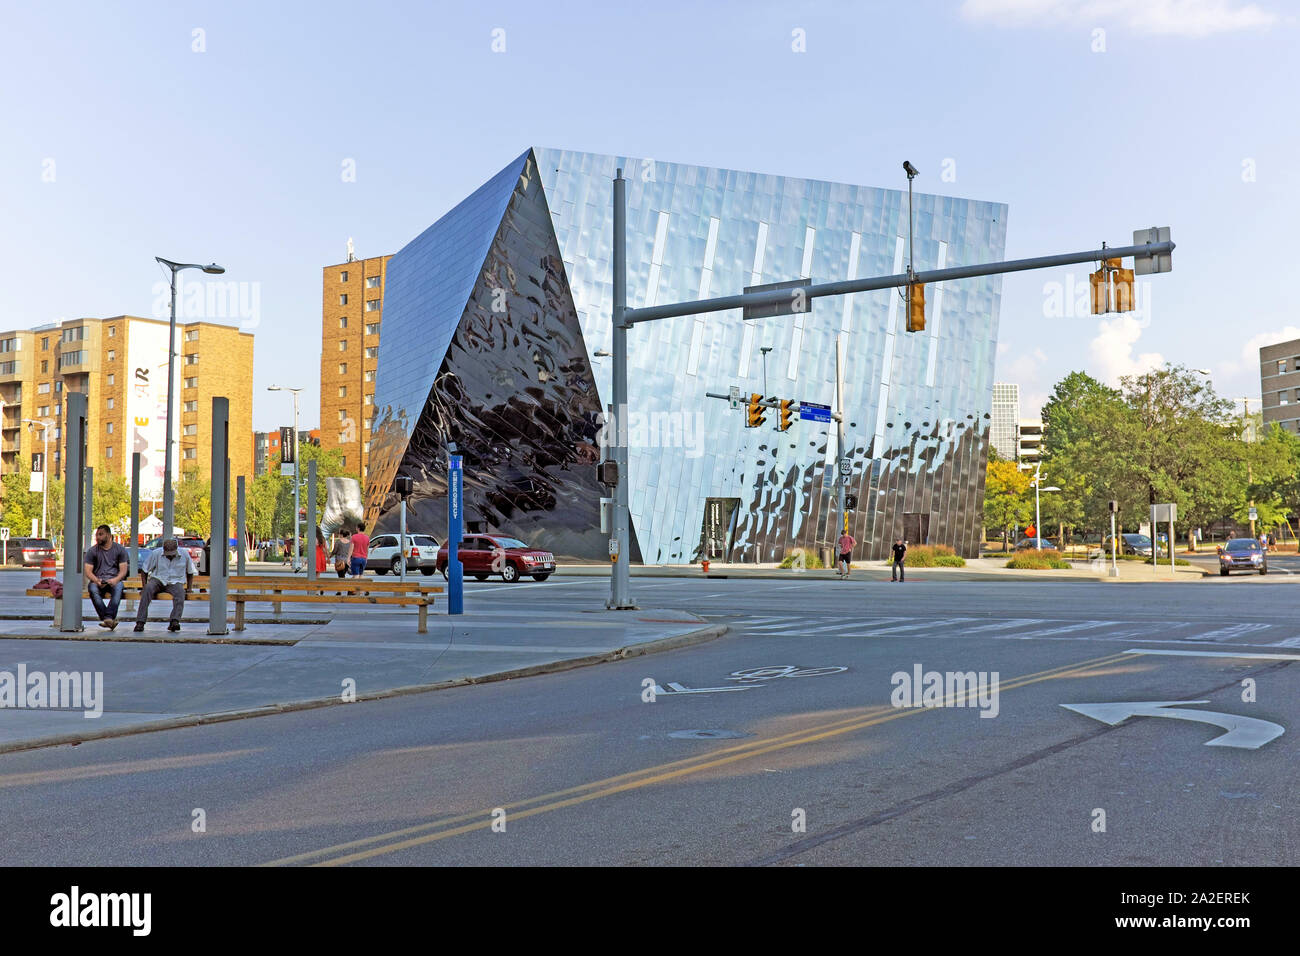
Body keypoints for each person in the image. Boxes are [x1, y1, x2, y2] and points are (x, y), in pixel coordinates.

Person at [133, 538, 195, 633]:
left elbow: (190, 572)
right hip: (158, 579)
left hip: (175, 581)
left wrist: (189, 588)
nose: (170, 557)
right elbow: (144, 570)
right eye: (167, 555)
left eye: (172, 555)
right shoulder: (156, 553)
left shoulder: (184, 554)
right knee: (148, 589)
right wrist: (144, 586)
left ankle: (175, 621)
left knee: (180, 592)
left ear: (177, 549)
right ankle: (140, 622)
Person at [83, 524, 128, 630]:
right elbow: (88, 571)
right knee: (92, 588)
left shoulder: (119, 549)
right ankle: (109, 619)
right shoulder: (92, 551)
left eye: (101, 534)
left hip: (114, 579)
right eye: (97, 535)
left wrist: (115, 580)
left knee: (119, 587)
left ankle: (107, 618)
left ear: (108, 535)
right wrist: (97, 580)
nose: (97, 537)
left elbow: (123, 570)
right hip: (98, 580)